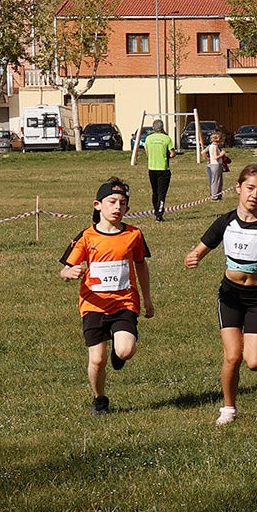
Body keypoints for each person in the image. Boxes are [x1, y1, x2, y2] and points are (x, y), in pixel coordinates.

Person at [184, 164, 257, 426]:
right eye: (249, 188)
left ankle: (250, 338)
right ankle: (228, 407)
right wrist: (193, 257)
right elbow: (200, 249)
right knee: (233, 356)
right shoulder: (224, 222)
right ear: (238, 188)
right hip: (230, 295)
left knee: (255, 363)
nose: (254, 195)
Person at [58, 178, 153, 416]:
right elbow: (64, 270)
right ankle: (99, 398)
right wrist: (71, 272)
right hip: (93, 305)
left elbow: (141, 265)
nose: (117, 207)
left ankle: (118, 349)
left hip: (124, 303)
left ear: (128, 209)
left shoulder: (134, 234)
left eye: (122, 203)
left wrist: (148, 297)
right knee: (97, 360)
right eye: (112, 202)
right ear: (98, 205)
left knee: (125, 351)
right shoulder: (87, 237)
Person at [143, 120, 174, 222]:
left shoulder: (148, 138)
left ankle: (156, 210)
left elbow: (146, 152)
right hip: (163, 168)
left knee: (155, 192)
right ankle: (159, 215)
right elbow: (172, 153)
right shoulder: (166, 138)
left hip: (152, 168)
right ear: (162, 127)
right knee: (162, 193)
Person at [204, 131, 226, 200]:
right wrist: (222, 154)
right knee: (216, 181)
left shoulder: (211, 146)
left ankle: (218, 195)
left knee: (219, 180)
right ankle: (214, 196)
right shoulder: (215, 147)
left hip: (216, 164)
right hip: (216, 165)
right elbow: (216, 157)